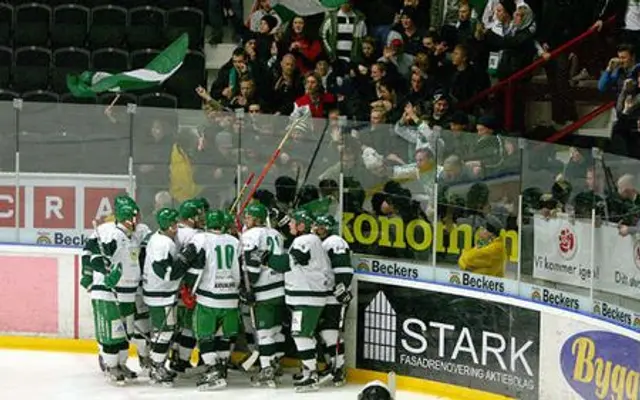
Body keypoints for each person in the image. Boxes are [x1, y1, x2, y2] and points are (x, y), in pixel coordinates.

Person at [266, 209, 333, 392]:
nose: (290, 225)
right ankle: (309, 372)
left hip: (308, 297)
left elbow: (290, 262)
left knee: (301, 335)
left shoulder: (306, 240)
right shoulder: (309, 240)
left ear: (301, 225)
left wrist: (266, 258)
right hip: (308, 296)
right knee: (305, 335)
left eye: (293, 222)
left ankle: (311, 375)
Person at [182, 210, 242, 391]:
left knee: (205, 335)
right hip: (231, 297)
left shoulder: (201, 239)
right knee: (224, 334)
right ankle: (221, 366)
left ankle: (213, 369)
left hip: (209, 297)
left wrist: (187, 286)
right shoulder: (235, 241)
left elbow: (190, 263)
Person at [86, 197, 141, 384]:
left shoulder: (131, 236)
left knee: (125, 334)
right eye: (135, 216)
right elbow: (95, 258)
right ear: (128, 217)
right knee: (112, 334)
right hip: (109, 293)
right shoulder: (112, 235)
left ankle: (122, 364)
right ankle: (111, 366)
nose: (138, 219)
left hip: (128, 292)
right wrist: (105, 273)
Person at [240, 203, 286, 387]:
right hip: (280, 288)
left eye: (249, 217)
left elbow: (252, 266)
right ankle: (275, 363)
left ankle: (266, 369)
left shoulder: (251, 235)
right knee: (276, 330)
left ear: (257, 219)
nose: (246, 220)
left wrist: (247, 288)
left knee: (264, 332)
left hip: (263, 290)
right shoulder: (276, 233)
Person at [141, 208, 184, 386]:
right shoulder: (163, 243)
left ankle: (156, 364)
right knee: (164, 331)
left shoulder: (161, 239)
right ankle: (156, 366)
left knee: (164, 331)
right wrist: (184, 262)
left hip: (160, 292)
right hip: (161, 294)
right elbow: (165, 272)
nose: (176, 226)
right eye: (173, 223)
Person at [313, 214, 353, 387]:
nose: (317, 229)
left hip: (334, 294)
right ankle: (333, 365)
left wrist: (341, 287)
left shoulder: (335, 241)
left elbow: (344, 267)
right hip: (324, 293)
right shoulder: (318, 242)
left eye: (321, 227)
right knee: (323, 331)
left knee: (330, 332)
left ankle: (339, 368)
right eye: (316, 226)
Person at [170, 199, 207, 374]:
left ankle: (176, 356)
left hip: (170, 286)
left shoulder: (174, 230)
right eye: (199, 215)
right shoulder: (193, 235)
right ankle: (182, 360)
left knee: (179, 325)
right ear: (191, 218)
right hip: (188, 287)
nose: (202, 217)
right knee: (189, 326)